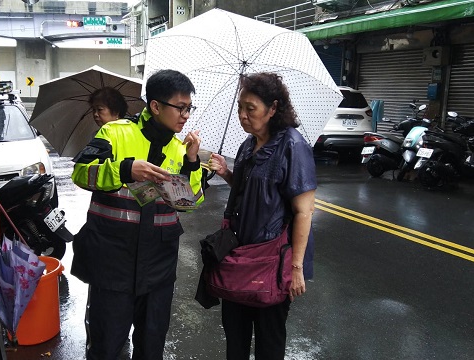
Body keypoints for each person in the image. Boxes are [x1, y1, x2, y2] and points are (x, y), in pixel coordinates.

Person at [71, 69, 205, 360]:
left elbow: (190, 203)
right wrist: (124, 169)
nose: (186, 115)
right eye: (180, 107)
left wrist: (192, 162)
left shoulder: (180, 149)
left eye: (189, 108)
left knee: (152, 345)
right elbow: (81, 174)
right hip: (113, 262)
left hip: (159, 265)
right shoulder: (115, 132)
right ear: (155, 106)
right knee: (106, 347)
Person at [207, 72, 316, 360]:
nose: (242, 115)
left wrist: (296, 269)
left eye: (250, 108)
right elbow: (251, 191)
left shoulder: (292, 145)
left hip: (272, 261)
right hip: (239, 258)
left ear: (273, 108)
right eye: (241, 107)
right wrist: (227, 173)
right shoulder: (247, 145)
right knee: (235, 339)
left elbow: (304, 211)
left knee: (269, 342)